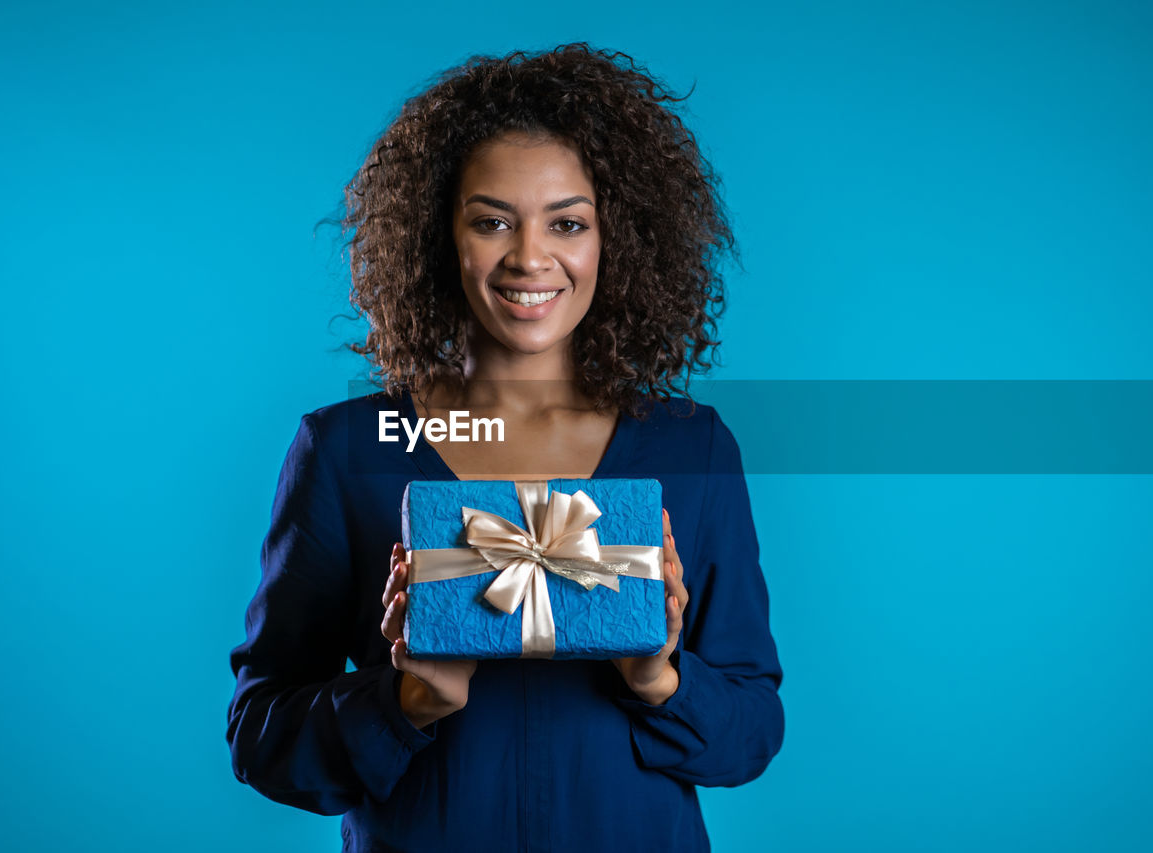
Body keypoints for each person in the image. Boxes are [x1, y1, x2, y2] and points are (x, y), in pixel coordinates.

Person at [227, 43, 785, 852]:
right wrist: (407, 699)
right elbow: (260, 731)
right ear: (439, 236)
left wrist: (660, 678)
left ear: (614, 239)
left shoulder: (691, 449)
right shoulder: (350, 448)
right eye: (492, 220)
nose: (530, 257)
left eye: (568, 222)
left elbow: (753, 730)